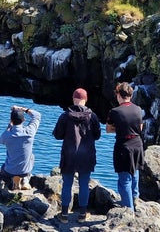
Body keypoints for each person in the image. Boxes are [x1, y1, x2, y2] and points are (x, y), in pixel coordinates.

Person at [53, 88, 101, 223]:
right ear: (85, 100)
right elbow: (97, 135)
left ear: (74, 99)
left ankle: (64, 215)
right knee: (84, 184)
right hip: (86, 155)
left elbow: (57, 135)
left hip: (69, 154)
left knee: (67, 184)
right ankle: (82, 215)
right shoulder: (92, 116)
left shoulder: (65, 116)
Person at [106, 82, 145, 212]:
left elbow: (108, 129)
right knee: (135, 172)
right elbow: (140, 127)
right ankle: (135, 199)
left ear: (119, 95)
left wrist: (121, 128)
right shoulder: (138, 109)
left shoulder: (114, 112)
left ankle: (128, 210)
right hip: (137, 145)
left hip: (124, 147)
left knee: (124, 180)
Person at [0, 105, 41, 190]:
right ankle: (25, 180)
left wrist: (9, 125)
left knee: (4, 165)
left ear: (11, 120)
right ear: (24, 120)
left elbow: (1, 141)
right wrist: (22, 109)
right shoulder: (30, 132)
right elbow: (37, 115)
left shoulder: (6, 135)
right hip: (25, 171)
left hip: (9, 171)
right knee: (31, 156)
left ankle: (14, 180)